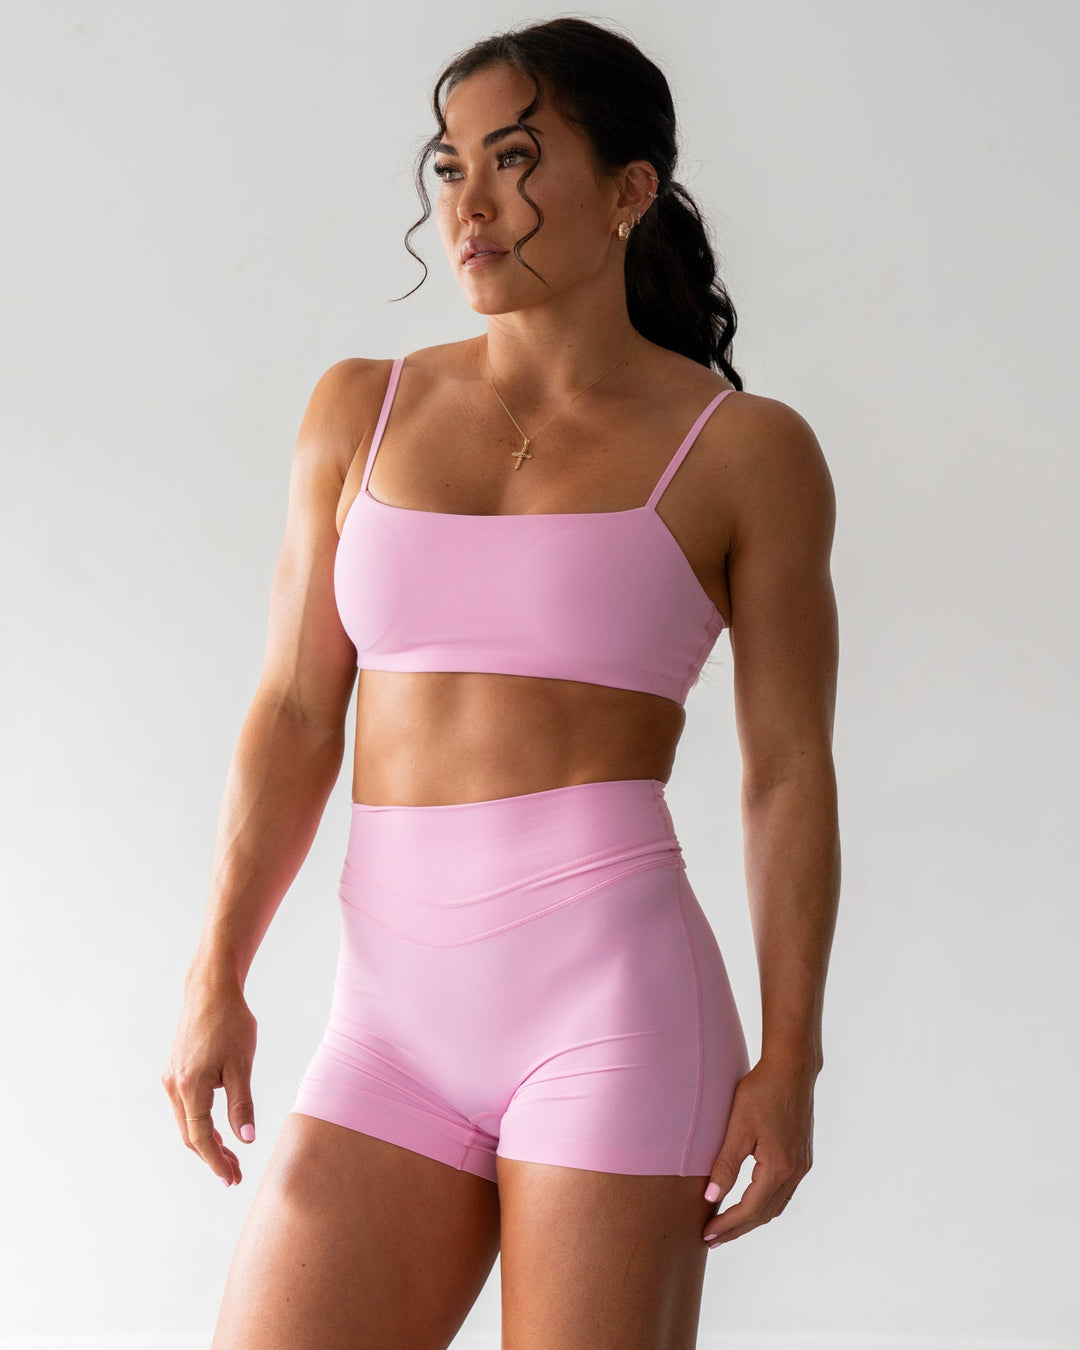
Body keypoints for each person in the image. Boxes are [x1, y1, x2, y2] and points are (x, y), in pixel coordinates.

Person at [162, 16, 840, 1349]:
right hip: (389, 1022)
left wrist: (793, 1059)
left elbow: (787, 771)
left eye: (516, 159)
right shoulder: (359, 409)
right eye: (450, 162)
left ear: (630, 190)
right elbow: (295, 714)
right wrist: (214, 973)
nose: (469, 201)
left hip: (615, 1012)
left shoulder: (743, 451)